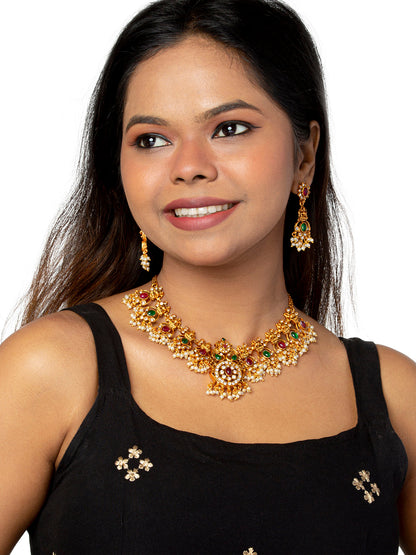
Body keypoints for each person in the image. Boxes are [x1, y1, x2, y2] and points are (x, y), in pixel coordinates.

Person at [0, 0, 415, 553]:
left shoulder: (393, 396)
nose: (189, 166)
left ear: (305, 155)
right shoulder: (51, 369)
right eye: (151, 139)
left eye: (229, 128)